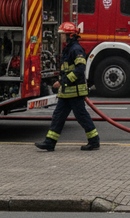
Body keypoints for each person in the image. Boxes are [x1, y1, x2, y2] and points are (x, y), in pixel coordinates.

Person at [35, 22, 100, 151]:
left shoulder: (76, 49)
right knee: (58, 116)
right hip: (67, 92)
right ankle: (50, 142)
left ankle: (94, 141)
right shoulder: (69, 49)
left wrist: (62, 82)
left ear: (70, 35)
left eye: (62, 34)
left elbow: (80, 69)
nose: (61, 37)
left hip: (75, 91)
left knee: (81, 116)